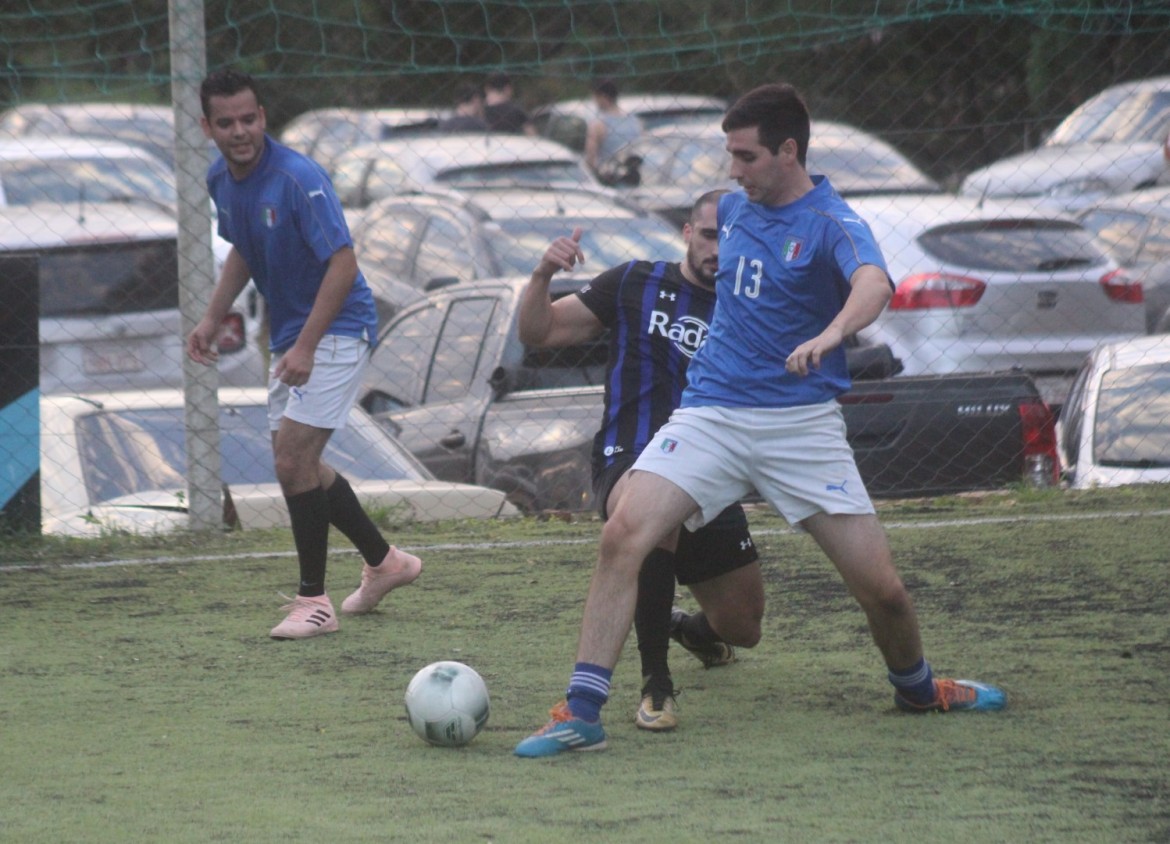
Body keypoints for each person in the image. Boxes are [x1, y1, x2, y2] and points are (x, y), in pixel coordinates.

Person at [515, 82, 1006, 758]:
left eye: (745, 157)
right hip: (713, 410)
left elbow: (874, 283)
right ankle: (582, 709)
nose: (733, 171)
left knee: (882, 591)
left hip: (799, 424)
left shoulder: (832, 221)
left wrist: (834, 331)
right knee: (624, 531)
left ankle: (919, 688)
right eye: (729, 155)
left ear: (788, 151)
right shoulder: (738, 211)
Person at [187, 68, 422, 640]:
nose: (240, 131)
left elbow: (344, 263)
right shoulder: (221, 177)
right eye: (227, 122)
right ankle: (385, 561)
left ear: (263, 117)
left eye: (249, 119)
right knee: (301, 465)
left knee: (291, 462)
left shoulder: (298, 178)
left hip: (336, 326)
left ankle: (314, 603)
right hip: (293, 335)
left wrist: (308, 346)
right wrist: (214, 316)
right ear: (207, 126)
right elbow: (244, 245)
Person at [517, 190, 763, 733]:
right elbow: (538, 332)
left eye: (732, 238)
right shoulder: (633, 283)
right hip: (628, 456)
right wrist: (540, 277)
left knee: (744, 626)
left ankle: (690, 629)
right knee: (656, 519)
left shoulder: (749, 305)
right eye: (708, 235)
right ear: (686, 233)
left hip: (710, 468)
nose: (719, 249)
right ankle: (656, 682)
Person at [583, 78, 642, 175]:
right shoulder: (635, 121)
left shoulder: (598, 125)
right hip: (634, 175)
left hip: (609, 176)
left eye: (595, 98)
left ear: (602, 97)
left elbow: (590, 158)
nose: (594, 101)